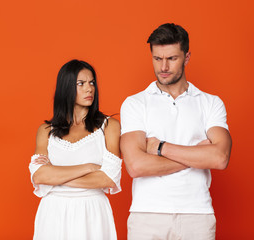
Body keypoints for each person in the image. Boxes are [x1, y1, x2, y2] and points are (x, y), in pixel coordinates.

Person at [120, 23, 232, 240]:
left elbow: (219, 158)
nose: (163, 67)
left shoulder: (210, 103)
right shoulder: (135, 104)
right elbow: (136, 165)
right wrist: (197, 156)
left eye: (172, 58)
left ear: (186, 57)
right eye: (157, 58)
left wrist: (159, 147)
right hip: (147, 215)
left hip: (197, 214)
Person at [29, 59, 122, 240]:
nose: (89, 89)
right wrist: (88, 167)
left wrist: (55, 176)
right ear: (66, 88)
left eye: (92, 82)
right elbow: (39, 176)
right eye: (81, 84)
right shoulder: (46, 131)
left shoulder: (109, 126)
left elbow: (109, 178)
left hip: (92, 211)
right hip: (53, 213)